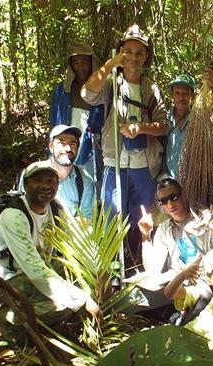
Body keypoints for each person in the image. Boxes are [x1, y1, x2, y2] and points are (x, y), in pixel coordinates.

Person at [81, 24, 168, 260]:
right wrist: (111, 64)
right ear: (120, 52)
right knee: (112, 217)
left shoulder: (150, 87)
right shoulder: (111, 83)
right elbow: (87, 94)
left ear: (146, 56)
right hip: (114, 161)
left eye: (139, 53)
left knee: (142, 218)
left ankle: (139, 261)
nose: (133, 57)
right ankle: (111, 269)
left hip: (143, 164)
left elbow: (163, 124)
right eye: (128, 51)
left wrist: (140, 128)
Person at [0, 161, 100, 329]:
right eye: (37, 180)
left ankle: (68, 324)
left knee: (88, 278)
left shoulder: (55, 206)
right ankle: (10, 320)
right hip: (12, 277)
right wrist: (81, 299)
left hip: (44, 265)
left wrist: (96, 269)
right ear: (25, 185)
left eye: (51, 180)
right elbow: (35, 271)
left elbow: (75, 240)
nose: (45, 186)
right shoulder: (14, 216)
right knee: (62, 305)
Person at [119, 178, 213, 314]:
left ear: (183, 194)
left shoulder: (204, 220)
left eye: (173, 197)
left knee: (202, 298)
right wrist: (146, 237)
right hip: (175, 281)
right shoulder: (164, 228)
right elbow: (153, 269)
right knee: (128, 301)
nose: (170, 204)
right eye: (164, 201)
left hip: (202, 281)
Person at [49, 42, 105, 182]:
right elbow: (54, 121)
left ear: (92, 63)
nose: (81, 67)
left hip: (91, 147)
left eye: (85, 62)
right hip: (65, 141)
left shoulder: (103, 90)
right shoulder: (62, 90)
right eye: (76, 62)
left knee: (89, 183)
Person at [18, 125, 96, 219]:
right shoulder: (32, 174)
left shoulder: (85, 181)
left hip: (68, 233)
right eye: (62, 143)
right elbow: (21, 212)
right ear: (51, 146)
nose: (68, 148)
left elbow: (86, 219)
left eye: (73, 144)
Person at [164, 73, 196, 179]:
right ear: (172, 95)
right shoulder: (163, 119)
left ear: (192, 96)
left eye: (185, 93)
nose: (181, 97)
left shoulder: (198, 122)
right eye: (177, 93)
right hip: (166, 179)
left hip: (191, 179)